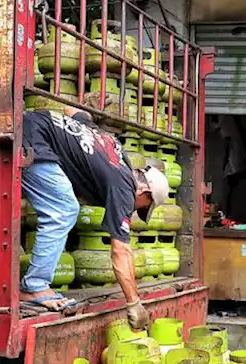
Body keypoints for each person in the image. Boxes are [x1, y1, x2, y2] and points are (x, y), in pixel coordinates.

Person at [20, 108, 169, 330]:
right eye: (142, 208)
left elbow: (76, 113)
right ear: (144, 191)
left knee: (65, 202)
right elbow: (120, 252)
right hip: (34, 138)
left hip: (33, 124)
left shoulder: (114, 149)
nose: (133, 211)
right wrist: (134, 303)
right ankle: (34, 286)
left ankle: (35, 283)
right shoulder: (124, 189)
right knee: (63, 209)